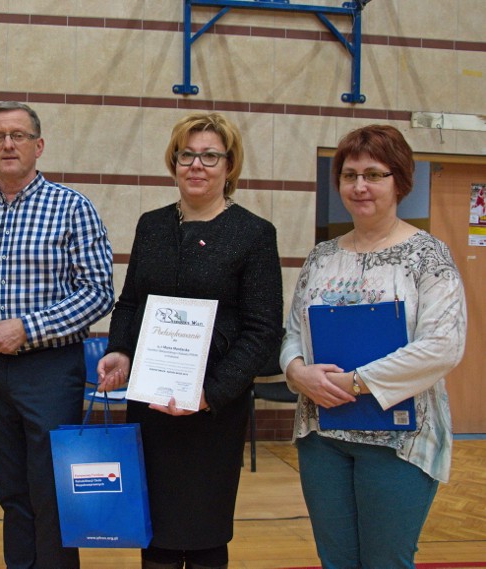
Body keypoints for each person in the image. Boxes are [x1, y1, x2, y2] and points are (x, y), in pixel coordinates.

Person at [97, 112, 283, 569]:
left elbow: (263, 330)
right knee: (154, 533)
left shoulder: (254, 234)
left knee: (203, 535)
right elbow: (130, 303)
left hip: (212, 409)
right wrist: (118, 350)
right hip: (151, 401)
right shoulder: (152, 225)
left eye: (210, 156)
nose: (196, 165)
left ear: (229, 165)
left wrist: (210, 395)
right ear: (174, 162)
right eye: (187, 155)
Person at [279, 124, 467, 569]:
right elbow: (292, 333)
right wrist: (296, 372)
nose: (360, 186)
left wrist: (355, 382)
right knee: (336, 560)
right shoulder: (322, 257)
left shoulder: (428, 256)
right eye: (349, 175)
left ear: (399, 181)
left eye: (374, 174)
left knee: (386, 561)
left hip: (399, 441)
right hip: (322, 438)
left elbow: (442, 346)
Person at [0, 101, 114, 568]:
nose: (8, 144)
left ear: (38, 146)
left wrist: (29, 327)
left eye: (19, 135)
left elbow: (100, 292)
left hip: (49, 369)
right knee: (12, 493)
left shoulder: (72, 208)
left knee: (53, 492)